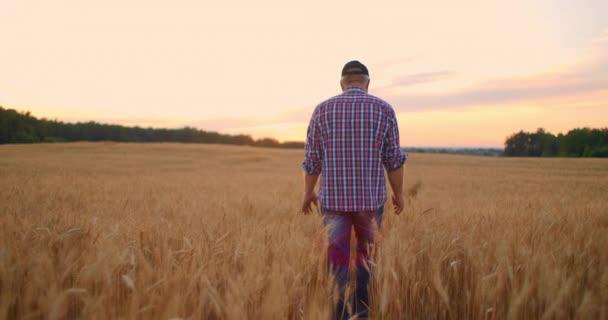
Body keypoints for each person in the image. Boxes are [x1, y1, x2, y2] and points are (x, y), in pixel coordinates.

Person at [301, 60, 407, 319]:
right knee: (365, 265)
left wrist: (307, 193)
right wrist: (399, 193)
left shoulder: (322, 110)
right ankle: (361, 315)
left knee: (336, 266)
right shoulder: (384, 109)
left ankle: (338, 315)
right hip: (369, 204)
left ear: (342, 83)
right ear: (367, 83)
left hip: (334, 204)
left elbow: (313, 160)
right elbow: (393, 159)